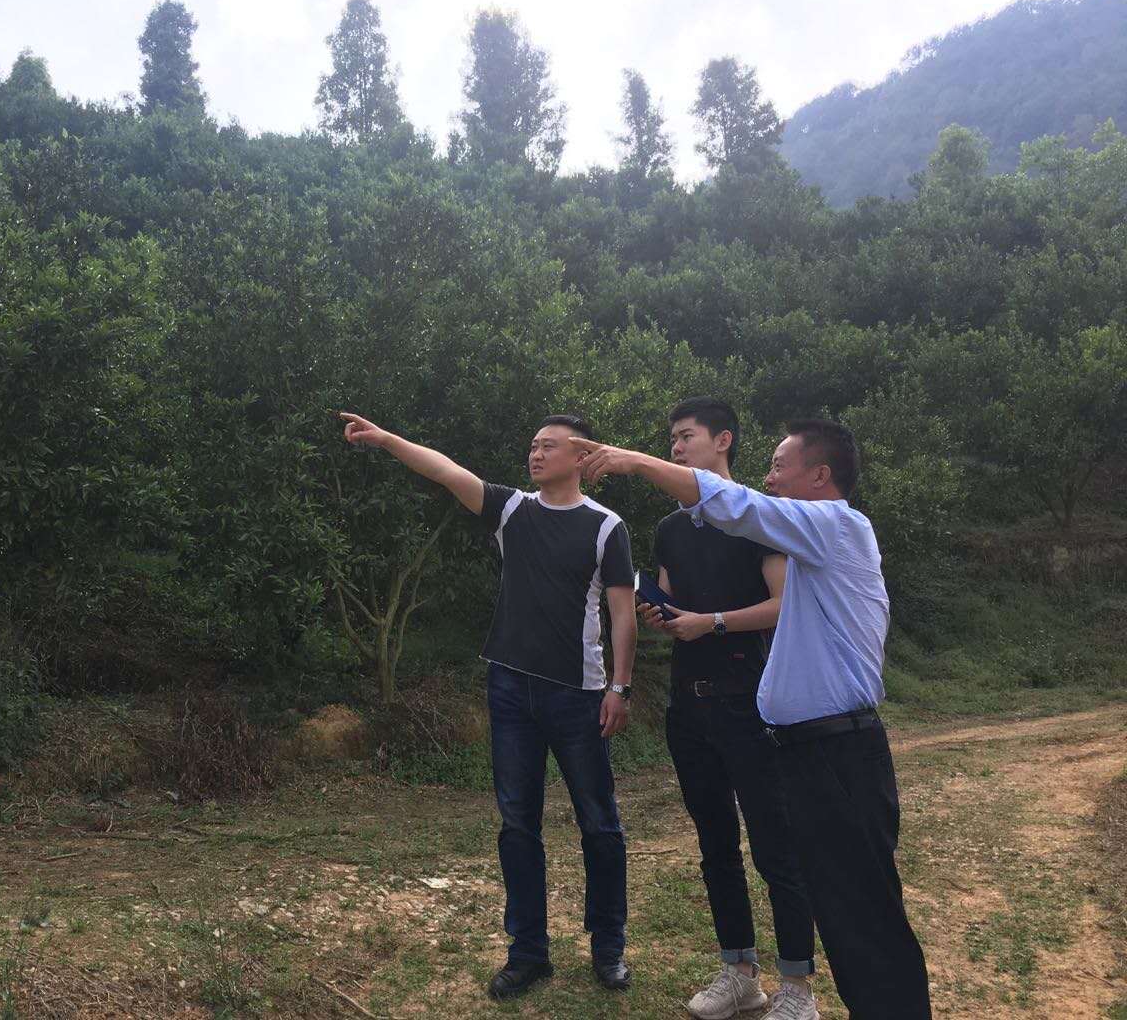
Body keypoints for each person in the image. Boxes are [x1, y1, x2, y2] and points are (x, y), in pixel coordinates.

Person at [570, 419, 932, 1020]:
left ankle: (825, 997)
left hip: (840, 749)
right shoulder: (812, 552)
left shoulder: (837, 525)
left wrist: (632, 461)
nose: (769, 477)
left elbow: (735, 505)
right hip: (808, 747)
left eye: (780, 466)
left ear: (820, 475)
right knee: (843, 911)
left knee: (863, 913)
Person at [339, 411, 637, 1000]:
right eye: (532, 445)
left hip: (578, 695)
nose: (536, 454)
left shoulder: (606, 527)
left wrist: (620, 688)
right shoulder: (512, 511)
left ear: (581, 457)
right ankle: (528, 953)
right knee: (518, 824)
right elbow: (447, 472)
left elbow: (623, 613)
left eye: (548, 446)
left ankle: (608, 948)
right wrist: (388, 438)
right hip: (509, 690)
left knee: (599, 824)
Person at [644, 398, 817, 1020]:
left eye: (686, 435)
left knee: (775, 846)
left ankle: (798, 988)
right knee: (715, 844)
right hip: (687, 707)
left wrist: (712, 622)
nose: (676, 447)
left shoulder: (759, 518)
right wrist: (659, 612)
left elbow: (784, 604)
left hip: (750, 703)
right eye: (671, 438)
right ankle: (739, 973)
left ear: (723, 440)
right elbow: (672, 603)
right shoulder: (670, 529)